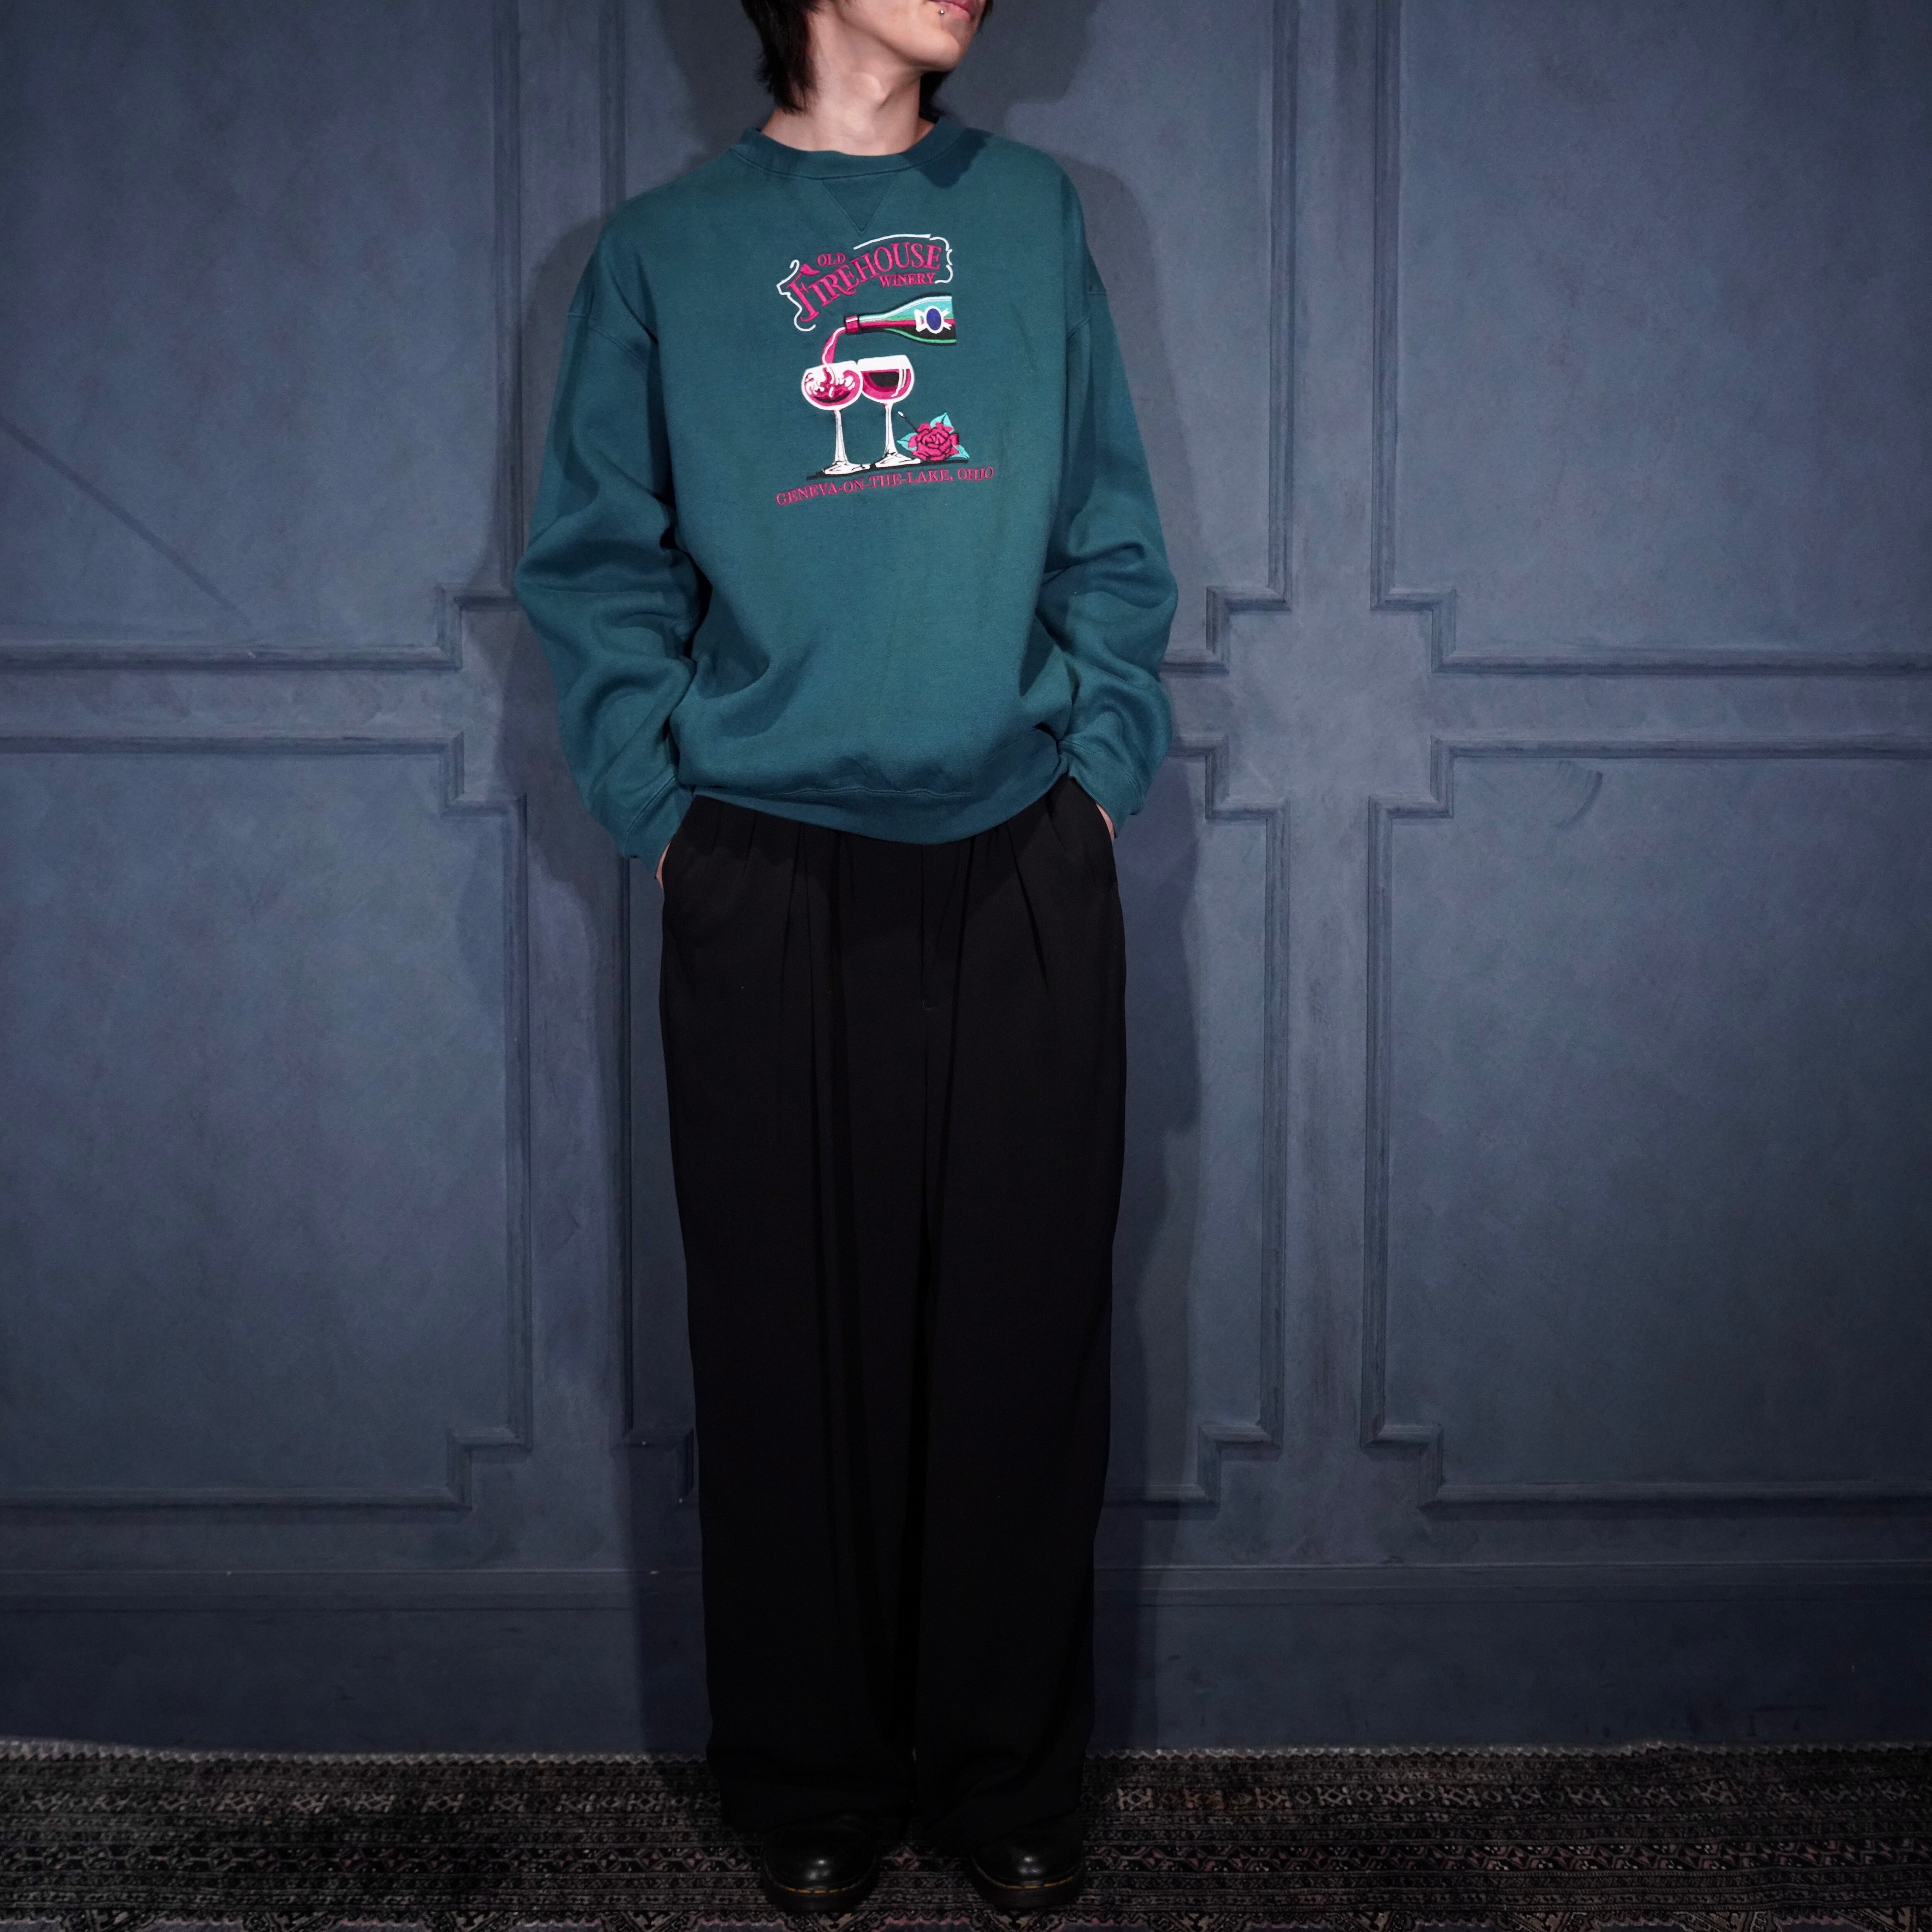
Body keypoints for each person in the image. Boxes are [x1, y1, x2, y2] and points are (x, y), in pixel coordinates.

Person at [515, 0, 1176, 1912]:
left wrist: (1099, 774)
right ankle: (806, 1776)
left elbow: (1110, 533)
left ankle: (1004, 1774)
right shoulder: (662, 254)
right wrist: (662, 815)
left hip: (1020, 850)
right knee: (781, 1347)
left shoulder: (1031, 217)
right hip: (762, 862)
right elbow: (595, 566)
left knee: (1020, 1343)